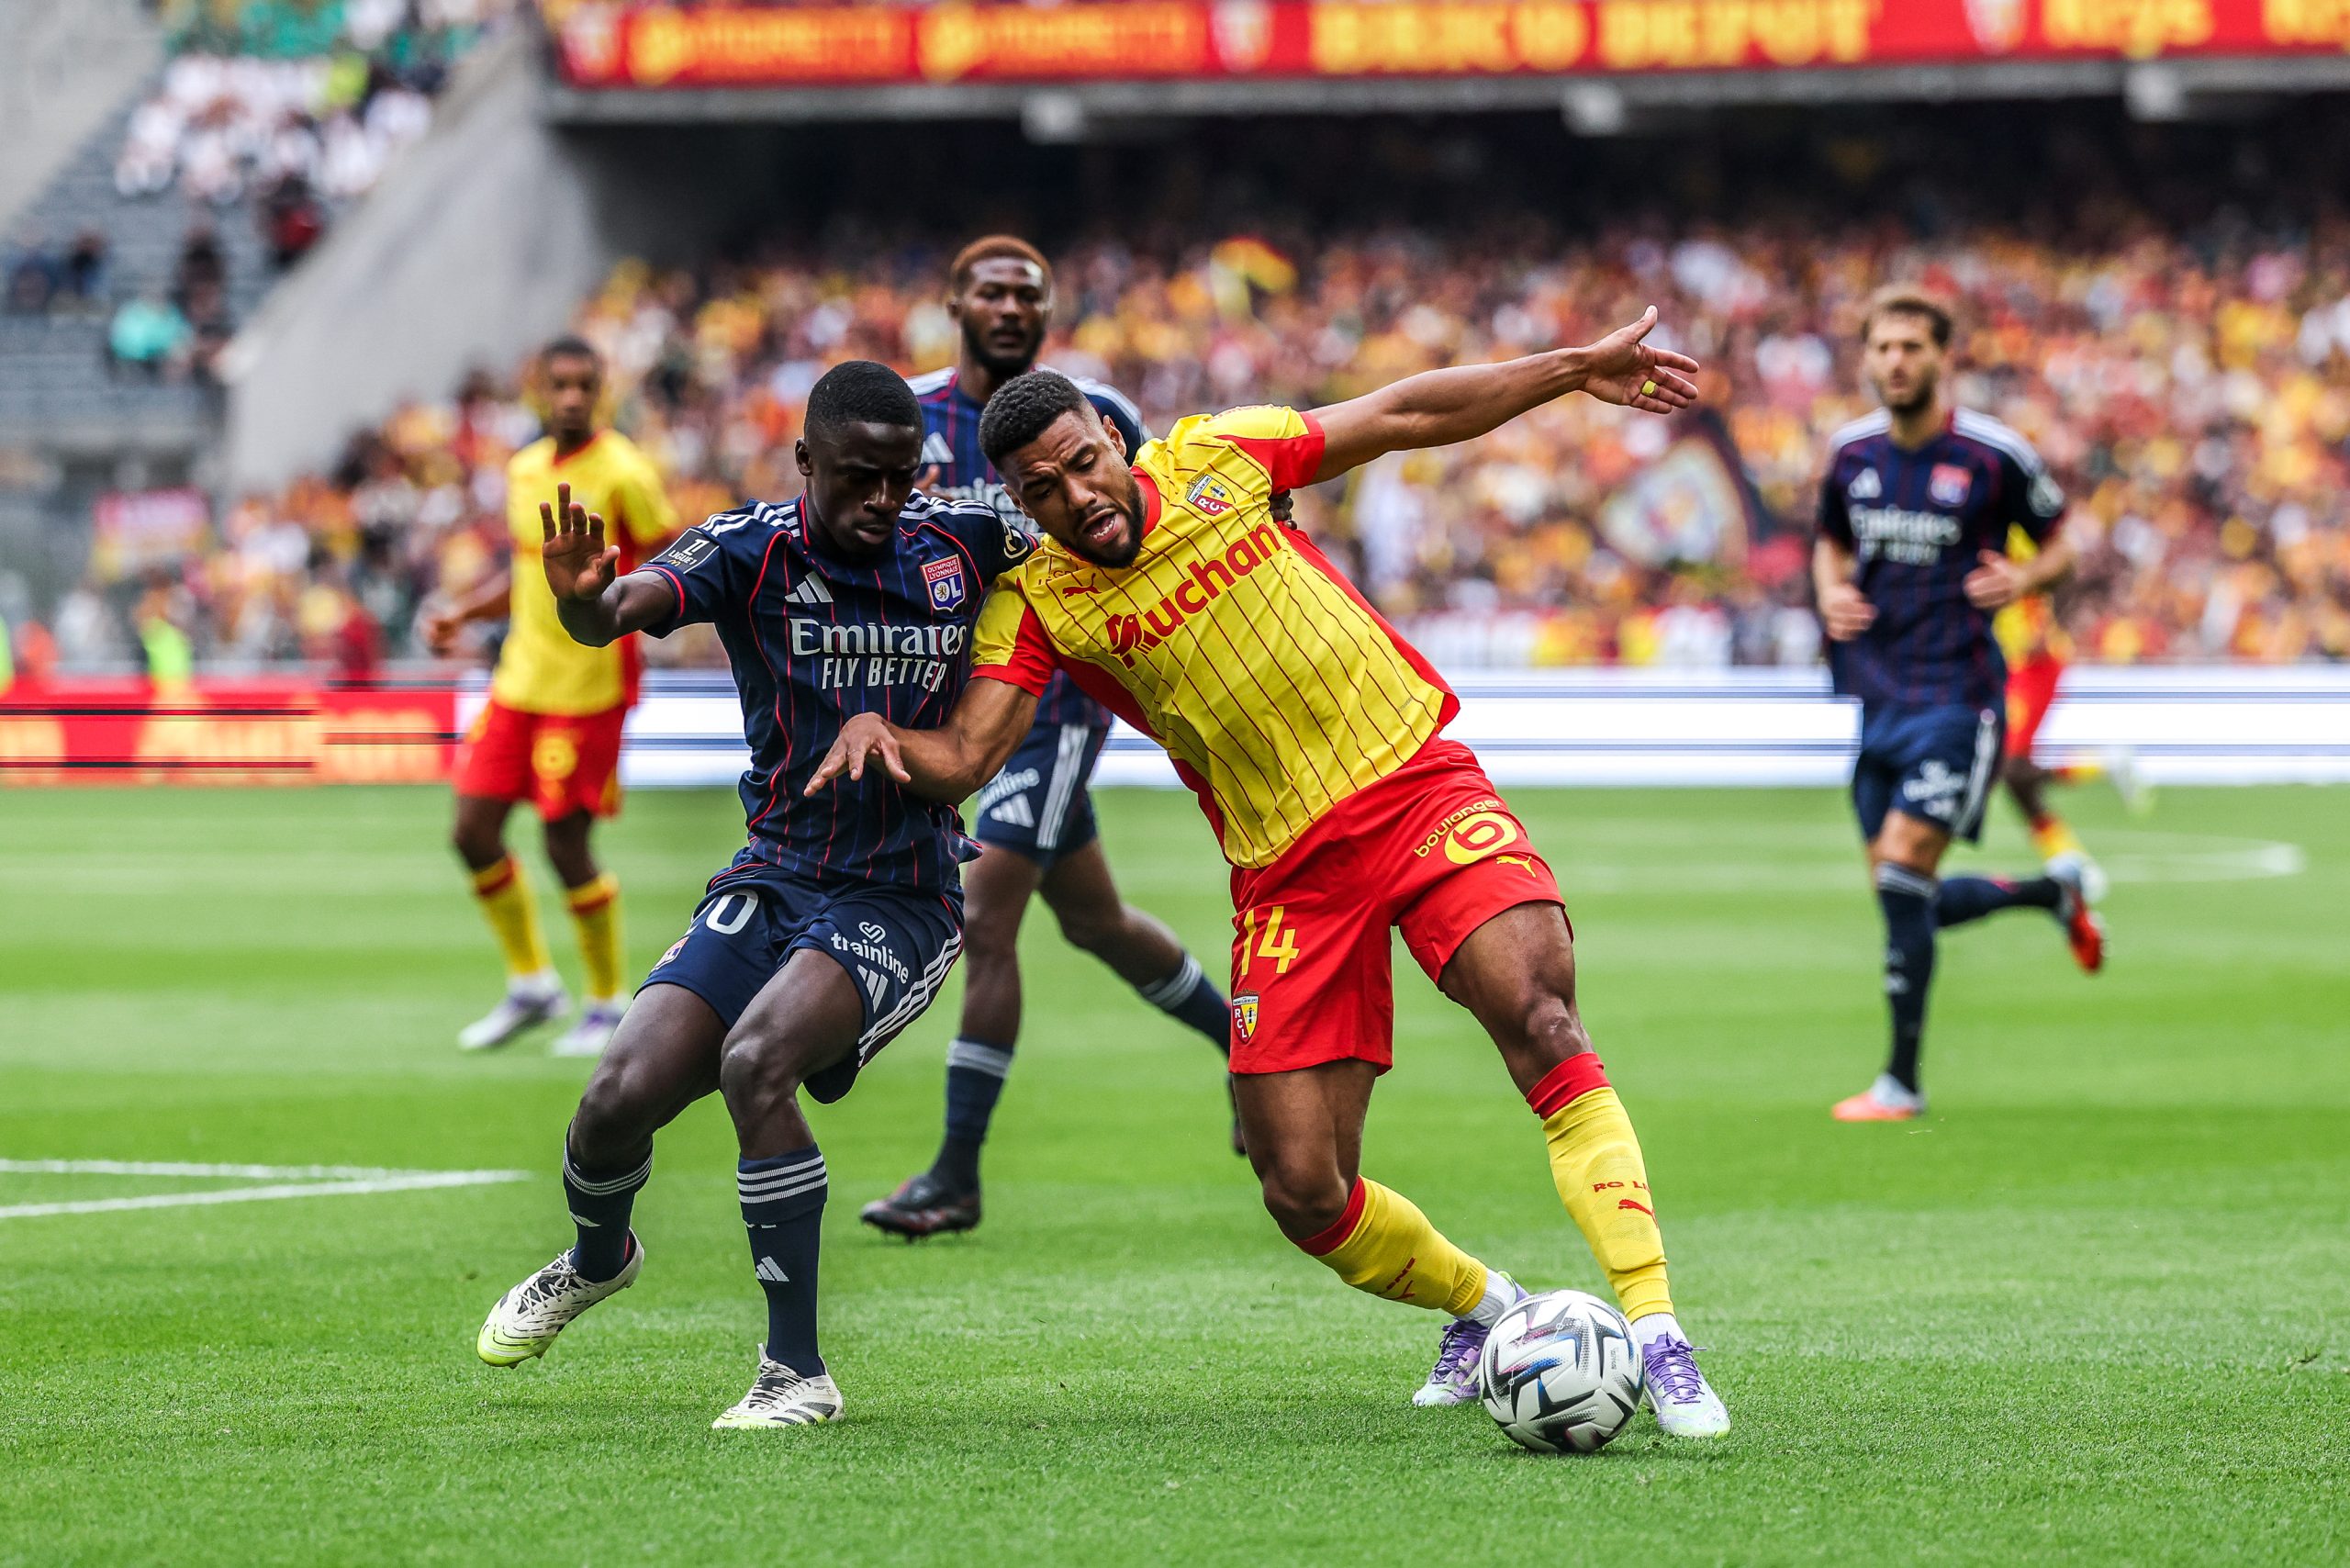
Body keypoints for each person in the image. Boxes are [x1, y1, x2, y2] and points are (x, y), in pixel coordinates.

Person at [807, 311, 1732, 1437]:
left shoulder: (1216, 455)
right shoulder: (1039, 599)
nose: (1076, 496)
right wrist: (877, 733)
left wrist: (1571, 370)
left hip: (1415, 787)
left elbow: (1403, 412)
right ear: (1018, 501)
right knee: (1303, 1189)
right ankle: (1488, 1307)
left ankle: (1656, 1329)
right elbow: (970, 755)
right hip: (1287, 874)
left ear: (1112, 435)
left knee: (1538, 1013)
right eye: (1042, 489)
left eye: (1084, 462)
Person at [475, 362, 1033, 1429]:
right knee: (613, 1101)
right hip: (775, 876)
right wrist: (585, 602)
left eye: (901, 478)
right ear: (806, 462)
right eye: (860, 477)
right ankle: (597, 1258)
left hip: (900, 893)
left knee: (756, 1060)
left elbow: (1096, 546)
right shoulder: (753, 546)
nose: (884, 499)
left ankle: (797, 1373)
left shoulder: (965, 541)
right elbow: (625, 608)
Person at [863, 236, 1241, 1243]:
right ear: (955, 302)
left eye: (1027, 294)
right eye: (990, 290)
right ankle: (1245, 1049)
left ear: (1046, 310)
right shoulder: (908, 416)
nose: (1008, 306)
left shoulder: (1098, 416)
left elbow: (1153, 522)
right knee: (1098, 923)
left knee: (984, 917)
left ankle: (954, 1175)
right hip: (960, 706)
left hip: (1056, 704)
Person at [1811, 286, 2107, 1125]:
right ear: (1865, 358)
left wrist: (2024, 577)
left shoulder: (1992, 456)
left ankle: (1900, 1083)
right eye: (1882, 347)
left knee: (1904, 869)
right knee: (1904, 895)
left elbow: (2064, 545)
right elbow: (1829, 540)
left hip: (1959, 696)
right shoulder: (1850, 454)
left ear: (1945, 357)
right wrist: (1832, 590)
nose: (1895, 361)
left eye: (1912, 347)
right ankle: (2052, 895)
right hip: (1877, 696)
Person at [421, 336, 677, 1058]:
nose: (570, 397)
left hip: (589, 685)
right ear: (538, 389)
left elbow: (672, 559)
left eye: (583, 385)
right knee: (472, 833)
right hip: (519, 679)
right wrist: (464, 614)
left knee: (566, 843)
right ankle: (532, 983)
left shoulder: (626, 470)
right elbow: (528, 571)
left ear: (600, 390)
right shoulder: (523, 468)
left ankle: (606, 1002)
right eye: (558, 384)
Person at [1994, 548, 2147, 902]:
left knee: (2013, 770)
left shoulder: (2013, 527)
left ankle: (2102, 767)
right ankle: (2073, 861)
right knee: (2014, 779)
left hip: (2033, 664)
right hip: (2008, 665)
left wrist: (2045, 625)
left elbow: (2060, 564)